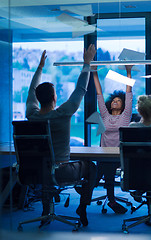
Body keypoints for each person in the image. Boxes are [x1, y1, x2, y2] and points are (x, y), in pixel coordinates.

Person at [26, 45, 97, 227]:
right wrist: (86, 63)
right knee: (91, 167)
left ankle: (45, 208)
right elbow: (80, 89)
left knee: (45, 169)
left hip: (34, 171)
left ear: (39, 99)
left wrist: (40, 68)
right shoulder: (63, 113)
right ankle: (82, 207)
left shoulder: (31, 115)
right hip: (62, 171)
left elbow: (31, 91)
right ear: (54, 99)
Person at [92, 65, 133, 214]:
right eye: (113, 100)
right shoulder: (105, 115)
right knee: (104, 168)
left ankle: (97, 190)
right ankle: (111, 200)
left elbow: (129, 94)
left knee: (104, 169)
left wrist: (128, 72)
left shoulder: (125, 116)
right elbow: (99, 94)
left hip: (118, 154)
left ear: (123, 105)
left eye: (118, 100)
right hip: (104, 154)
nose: (115, 101)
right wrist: (94, 72)